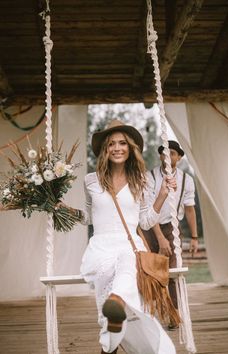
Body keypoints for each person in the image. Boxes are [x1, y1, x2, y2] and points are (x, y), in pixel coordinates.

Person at [62, 120, 177, 354]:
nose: (117, 148)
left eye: (122, 143)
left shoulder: (141, 180)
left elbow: (145, 221)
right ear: (105, 149)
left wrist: (163, 195)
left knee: (127, 263)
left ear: (130, 147)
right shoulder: (91, 181)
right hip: (101, 248)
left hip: (129, 246)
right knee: (108, 315)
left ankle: (118, 300)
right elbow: (89, 217)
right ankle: (112, 324)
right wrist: (65, 210)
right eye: (111, 143)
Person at [145, 140, 199, 323]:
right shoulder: (150, 176)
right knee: (150, 272)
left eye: (173, 153)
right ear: (160, 156)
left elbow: (190, 209)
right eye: (164, 153)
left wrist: (194, 237)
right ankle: (152, 316)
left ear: (180, 157)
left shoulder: (186, 180)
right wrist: (160, 238)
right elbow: (148, 210)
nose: (168, 156)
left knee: (174, 272)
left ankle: (175, 315)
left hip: (172, 228)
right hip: (149, 229)